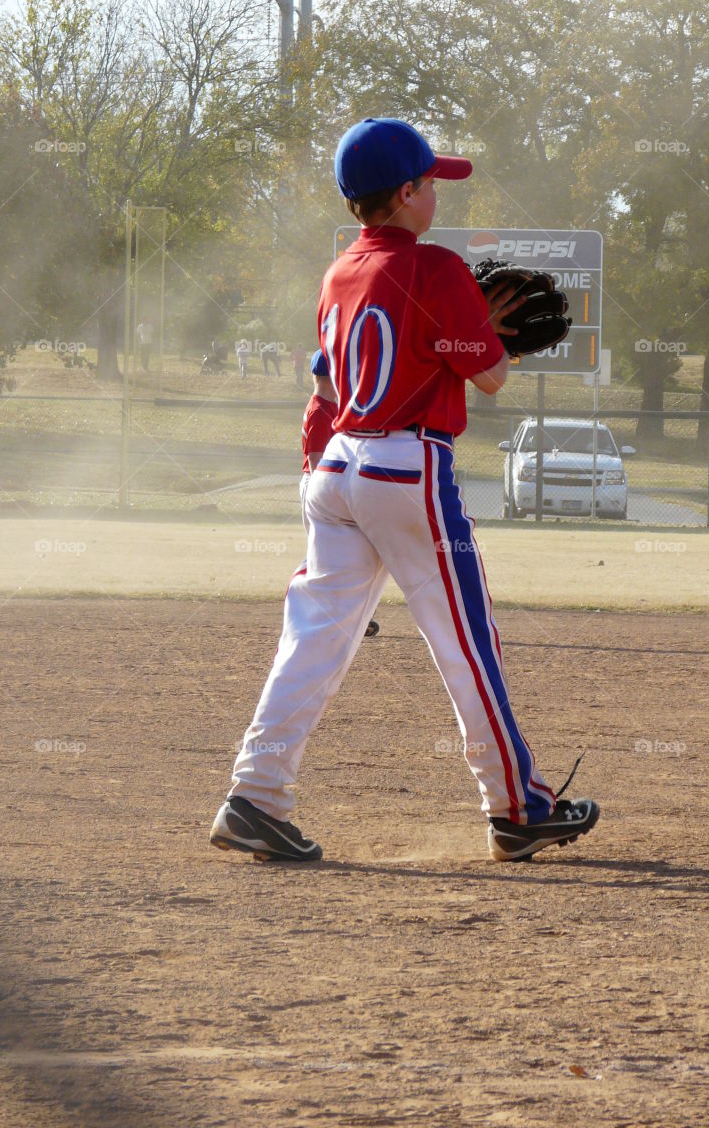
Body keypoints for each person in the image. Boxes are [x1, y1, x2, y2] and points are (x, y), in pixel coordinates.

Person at [210, 116, 598, 864]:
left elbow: (326, 381)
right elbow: (488, 377)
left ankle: (254, 795)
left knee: (313, 641)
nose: (438, 199)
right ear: (407, 191)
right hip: (406, 469)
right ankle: (517, 807)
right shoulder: (437, 269)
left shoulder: (338, 272)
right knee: (465, 640)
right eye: (432, 185)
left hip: (336, 468)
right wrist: (484, 330)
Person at [300, 348, 379, 639]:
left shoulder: (331, 407)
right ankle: (321, 615)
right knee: (324, 555)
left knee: (341, 553)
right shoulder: (321, 411)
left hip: (331, 488)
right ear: (334, 374)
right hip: (320, 488)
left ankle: (355, 614)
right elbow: (316, 463)